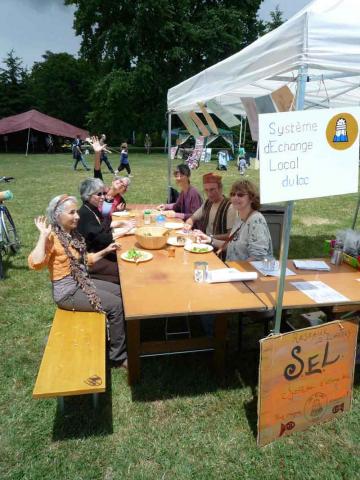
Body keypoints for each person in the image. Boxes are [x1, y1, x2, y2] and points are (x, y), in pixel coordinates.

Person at [28, 195, 127, 368]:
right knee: (116, 305)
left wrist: (106, 250)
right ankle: (118, 356)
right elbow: (35, 264)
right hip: (67, 293)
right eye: (72, 212)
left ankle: (114, 334)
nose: (77, 216)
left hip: (82, 282)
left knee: (121, 292)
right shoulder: (52, 237)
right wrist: (43, 236)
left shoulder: (71, 234)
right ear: (58, 216)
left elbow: (84, 260)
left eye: (76, 211)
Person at [195, 180, 272, 261]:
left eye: (240, 195)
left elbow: (258, 257)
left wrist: (236, 272)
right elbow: (232, 246)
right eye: (232, 194)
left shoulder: (256, 220)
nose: (235, 198)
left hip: (247, 271)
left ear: (251, 198)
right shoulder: (240, 219)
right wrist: (210, 240)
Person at [77, 177, 136, 284]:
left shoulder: (92, 208)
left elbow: (104, 226)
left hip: (101, 250)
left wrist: (121, 223)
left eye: (103, 193)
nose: (103, 197)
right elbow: (104, 238)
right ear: (88, 196)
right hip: (92, 258)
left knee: (129, 257)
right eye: (99, 194)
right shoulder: (85, 213)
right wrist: (126, 230)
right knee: (125, 270)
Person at [185, 173, 236, 241]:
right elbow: (193, 218)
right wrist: (188, 224)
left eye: (212, 189)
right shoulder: (208, 202)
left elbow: (230, 235)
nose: (209, 194)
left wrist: (208, 237)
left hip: (219, 249)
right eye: (206, 190)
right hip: (205, 243)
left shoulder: (230, 207)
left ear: (220, 188)